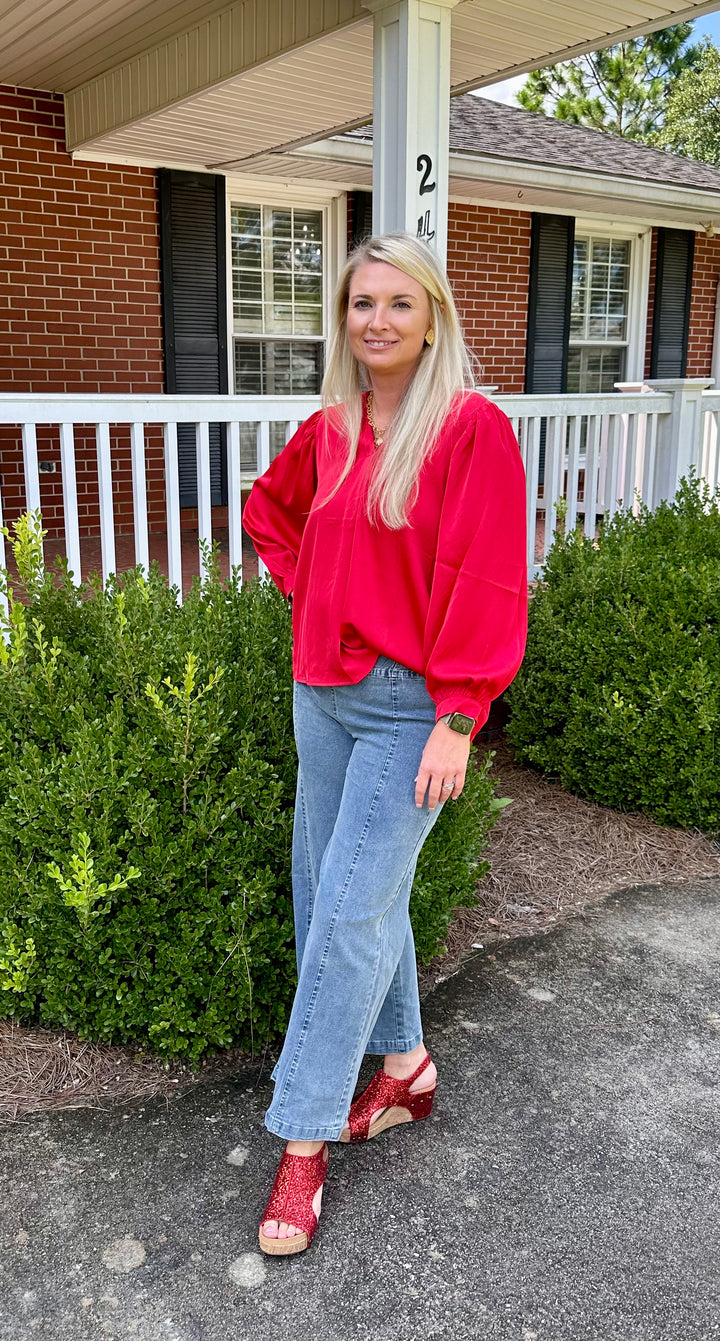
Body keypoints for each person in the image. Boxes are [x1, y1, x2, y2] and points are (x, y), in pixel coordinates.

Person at [242, 231, 527, 1257]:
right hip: (321, 692)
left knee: (347, 918)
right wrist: (308, 592)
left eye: (397, 304)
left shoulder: (471, 430)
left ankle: (303, 1142)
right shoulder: (332, 425)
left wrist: (459, 715)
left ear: (432, 316)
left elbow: (492, 578)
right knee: (337, 899)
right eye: (361, 304)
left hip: (413, 708)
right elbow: (269, 516)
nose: (376, 321)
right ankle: (404, 1067)